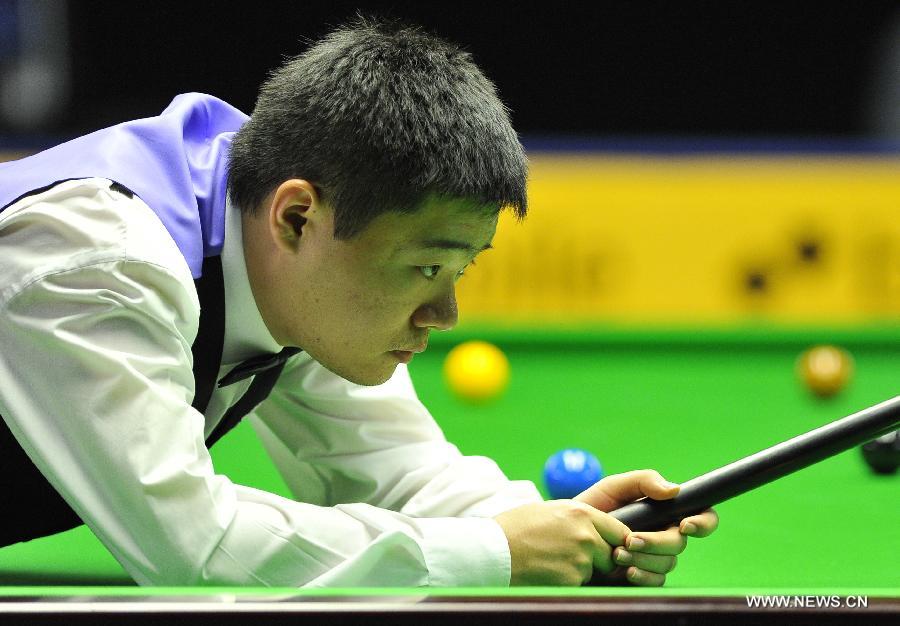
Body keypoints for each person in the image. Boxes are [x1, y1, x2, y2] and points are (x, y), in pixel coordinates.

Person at [0, 16, 717, 587]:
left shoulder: (285, 255)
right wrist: (497, 552)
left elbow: (398, 473)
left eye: (461, 268)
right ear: (296, 217)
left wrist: (554, 524)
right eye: (425, 266)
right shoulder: (98, 263)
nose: (445, 315)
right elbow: (192, 545)